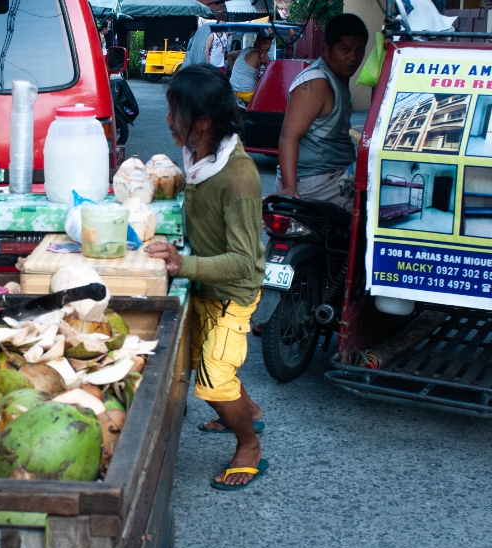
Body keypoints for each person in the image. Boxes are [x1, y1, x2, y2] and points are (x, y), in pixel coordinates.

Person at [144, 64, 268, 490]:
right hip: (206, 283)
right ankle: (247, 409)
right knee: (201, 357)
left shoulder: (238, 178)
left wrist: (184, 264)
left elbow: (242, 260)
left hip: (233, 289)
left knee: (213, 381)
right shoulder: (198, 155)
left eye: (174, 112)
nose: (167, 121)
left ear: (202, 121)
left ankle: (249, 445)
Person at [276, 13, 369, 209]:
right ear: (327, 50)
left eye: (359, 50)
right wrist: (290, 188)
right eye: (345, 49)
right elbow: (288, 136)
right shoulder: (317, 82)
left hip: (330, 177)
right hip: (314, 183)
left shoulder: (337, 79)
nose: (353, 57)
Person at [227, 31, 272, 105]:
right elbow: (274, 70)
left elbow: (230, 56)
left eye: (270, 44)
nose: (268, 47)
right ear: (257, 42)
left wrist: (235, 74)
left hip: (232, 91)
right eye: (265, 43)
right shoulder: (261, 55)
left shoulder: (246, 50)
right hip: (246, 95)